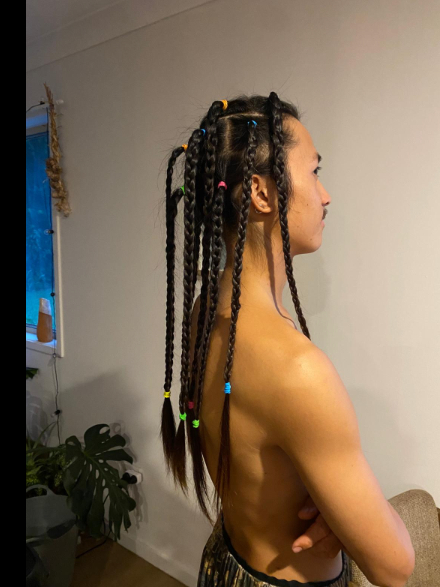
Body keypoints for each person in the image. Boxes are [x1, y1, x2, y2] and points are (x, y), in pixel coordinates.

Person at [160, 93, 415, 587]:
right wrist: (347, 518)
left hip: (226, 564)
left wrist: (337, 509)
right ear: (261, 193)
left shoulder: (204, 313)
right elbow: (395, 567)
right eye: (314, 172)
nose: (325, 195)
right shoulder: (298, 370)